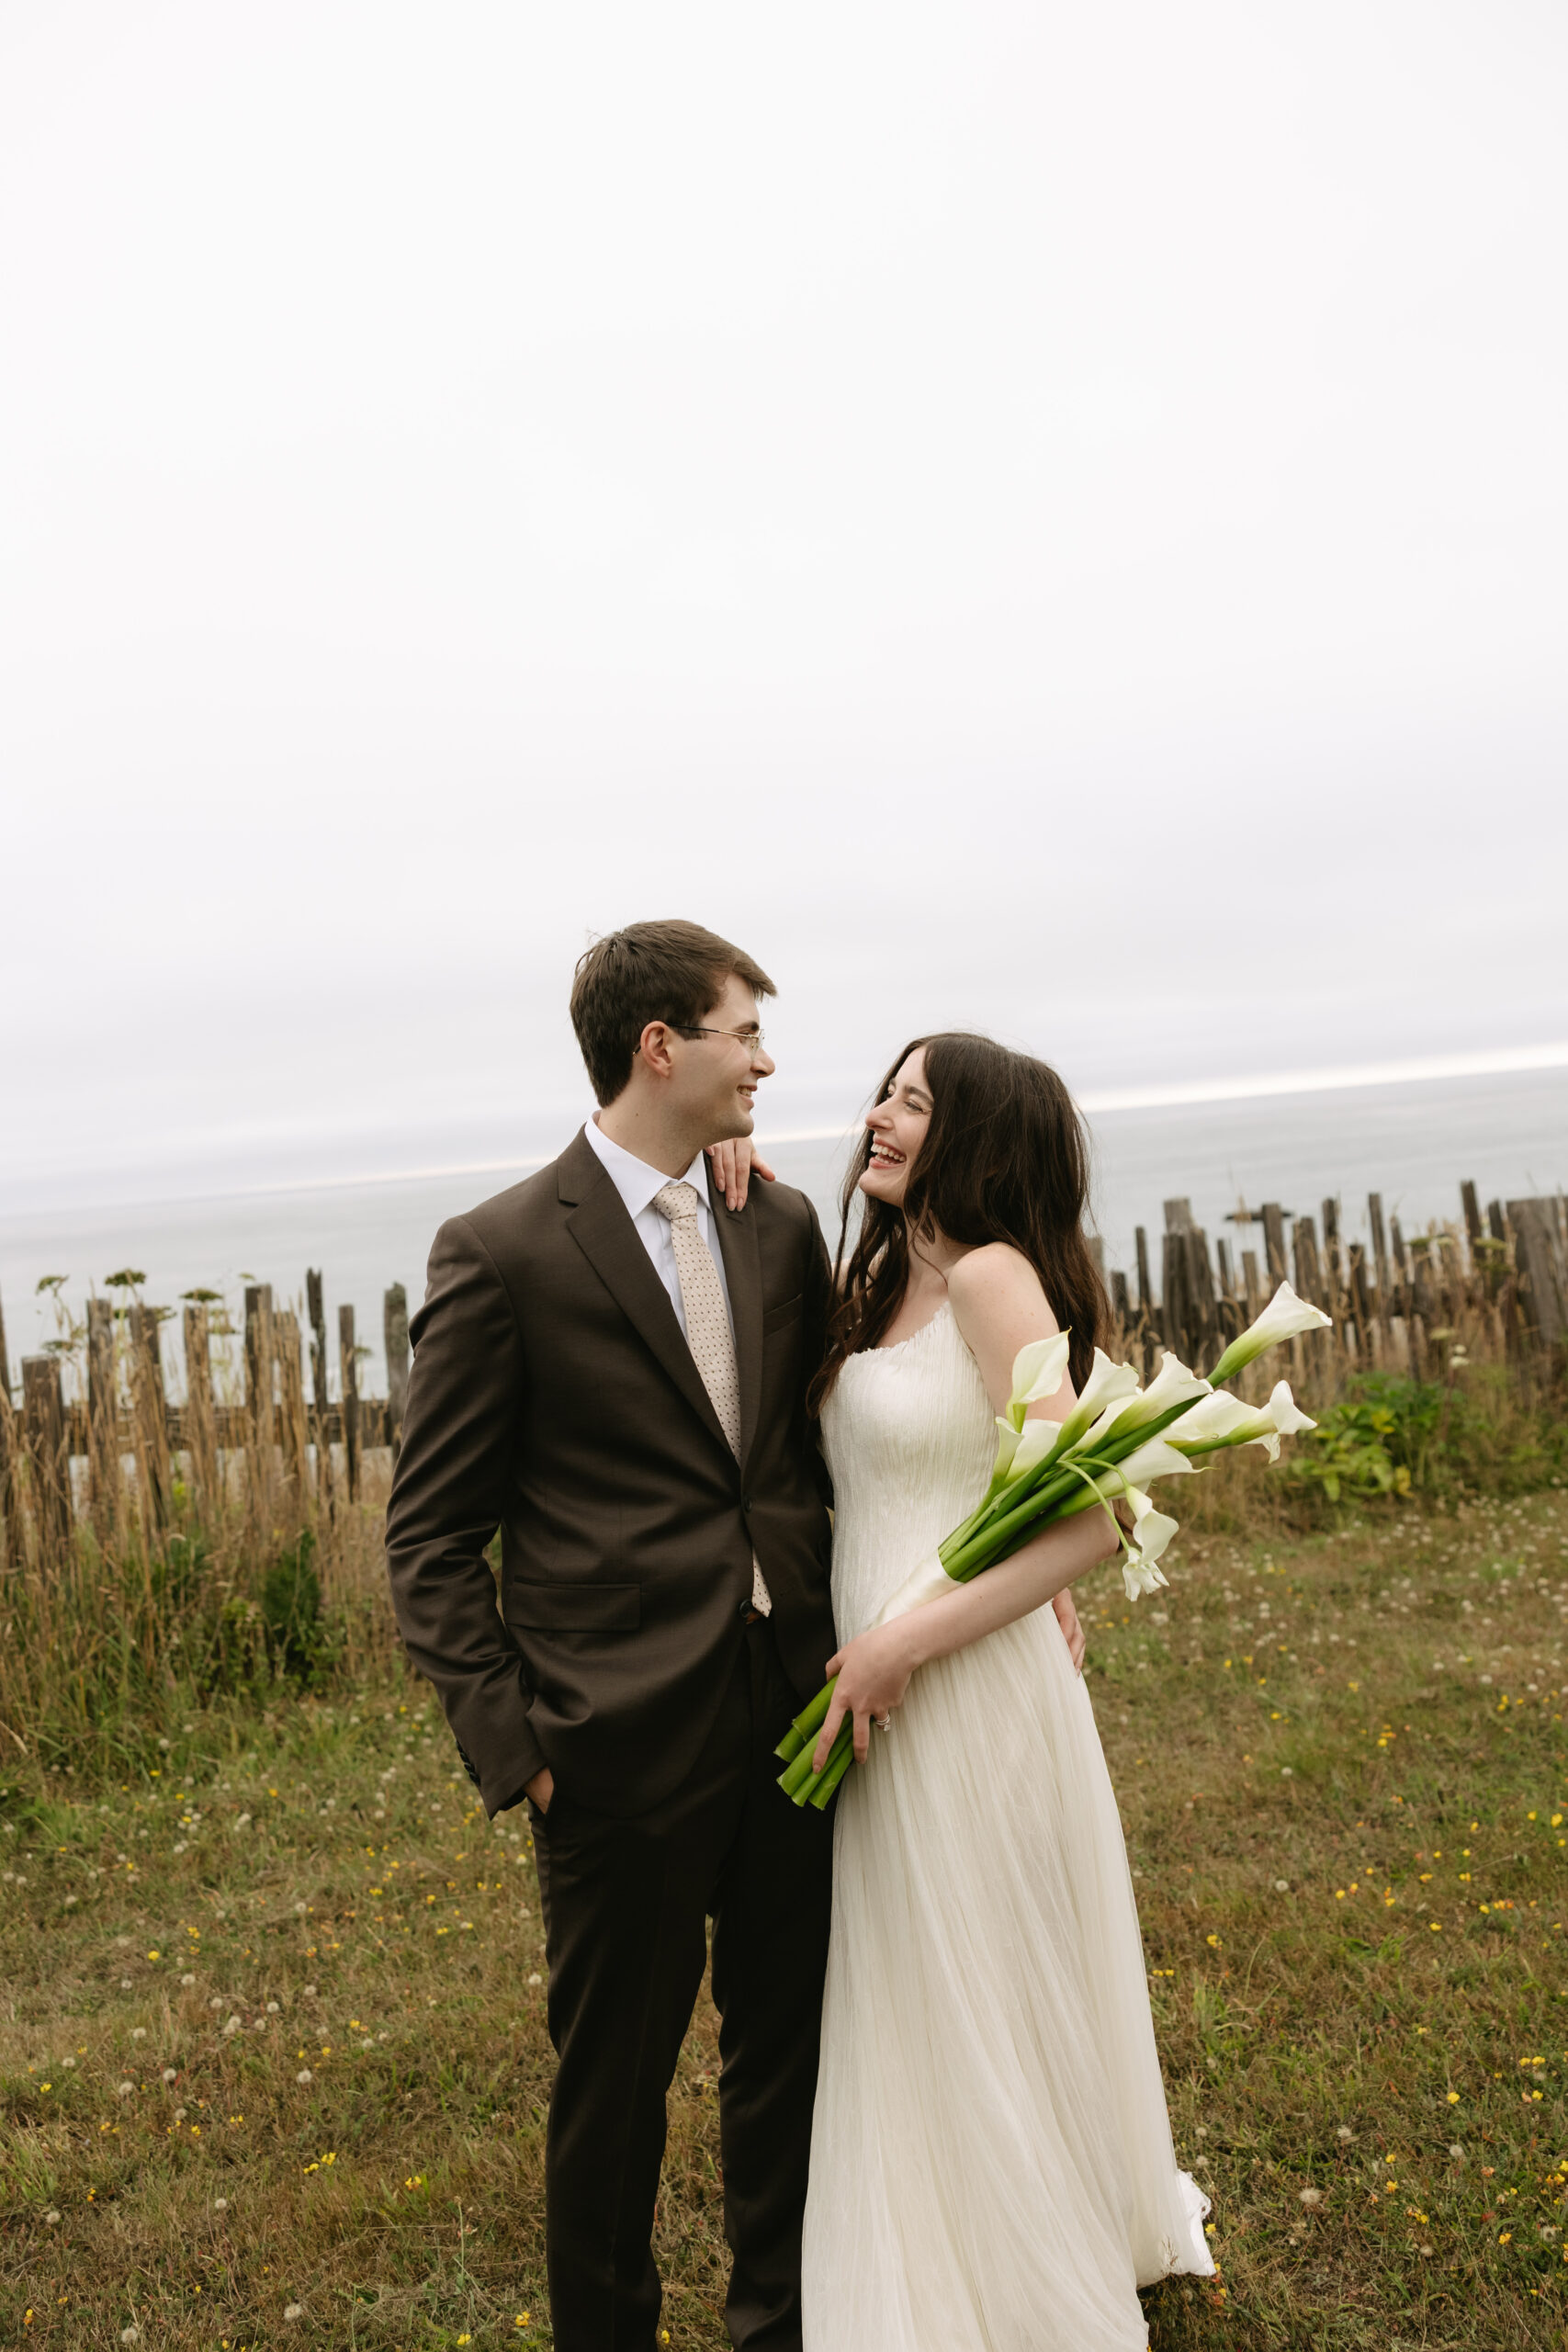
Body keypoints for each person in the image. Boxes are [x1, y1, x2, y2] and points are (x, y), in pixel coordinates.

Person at [384, 919, 840, 2352]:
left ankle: (778, 2328)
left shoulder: (780, 1220)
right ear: (662, 1047)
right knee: (613, 2093)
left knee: (790, 2063)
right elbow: (430, 1538)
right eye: (743, 1033)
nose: (764, 1060)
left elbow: (812, 1455)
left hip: (793, 1717)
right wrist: (518, 1748)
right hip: (613, 1750)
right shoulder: (506, 1250)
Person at [795, 1031, 1213, 2352]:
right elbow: (986, 1487)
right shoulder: (880, 1278)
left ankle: (1018, 2262)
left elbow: (1099, 1518)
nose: (880, 1116)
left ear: (973, 1138)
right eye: (885, 1089)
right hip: (891, 1686)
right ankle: (937, 2227)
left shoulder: (990, 1279)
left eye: (916, 1104)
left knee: (981, 1976)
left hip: (959, 1689)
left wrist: (902, 1645)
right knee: (918, 1976)